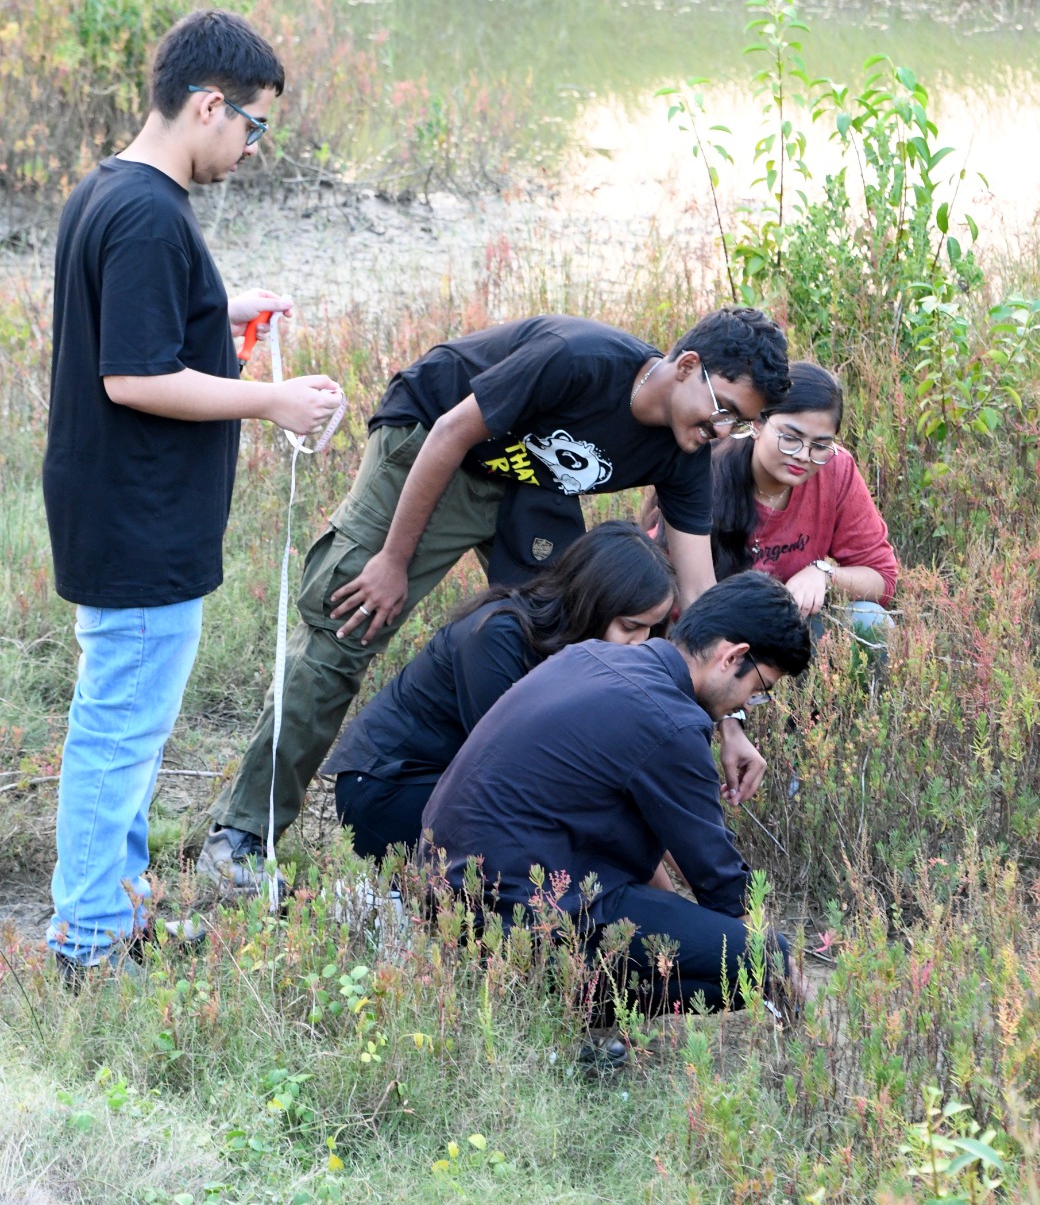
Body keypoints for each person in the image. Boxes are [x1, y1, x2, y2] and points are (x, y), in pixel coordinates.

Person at [197, 306, 791, 890]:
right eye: (725, 411)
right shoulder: (578, 360)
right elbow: (451, 431)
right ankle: (242, 833)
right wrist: (393, 561)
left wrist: (730, 718)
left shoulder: (683, 451)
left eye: (740, 425)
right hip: (433, 445)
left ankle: (518, 821)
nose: (723, 433)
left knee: (576, 640)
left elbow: (698, 592)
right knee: (351, 625)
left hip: (528, 480)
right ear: (687, 366)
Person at [43, 8, 344, 976]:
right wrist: (273, 400)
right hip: (136, 522)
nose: (252, 148)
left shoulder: (113, 191)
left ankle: (115, 912)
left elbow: (150, 332)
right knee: (118, 733)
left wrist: (226, 309)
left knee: (127, 724)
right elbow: (131, 377)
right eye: (253, 126)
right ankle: (87, 941)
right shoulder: (146, 214)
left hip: (127, 510)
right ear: (208, 104)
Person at [419, 572, 812, 1015]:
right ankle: (555, 1008)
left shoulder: (588, 656)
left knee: (702, 937)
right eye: (756, 692)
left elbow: (638, 852)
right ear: (733, 657)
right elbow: (721, 886)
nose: (741, 707)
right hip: (520, 919)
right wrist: (780, 971)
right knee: (762, 958)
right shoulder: (673, 723)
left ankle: (541, 996)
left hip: (448, 900)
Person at [328, 521, 677, 863]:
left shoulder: (587, 656)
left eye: (651, 629)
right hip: (389, 786)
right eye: (630, 626)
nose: (640, 644)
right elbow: (520, 779)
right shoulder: (498, 637)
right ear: (591, 603)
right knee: (556, 839)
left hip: (455, 786)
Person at [647, 361, 898, 627]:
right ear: (757, 424)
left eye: (820, 445)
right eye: (790, 438)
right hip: (711, 632)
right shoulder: (706, 474)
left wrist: (825, 574)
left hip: (790, 630)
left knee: (872, 620)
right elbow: (656, 585)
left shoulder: (836, 470)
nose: (803, 456)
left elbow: (881, 577)